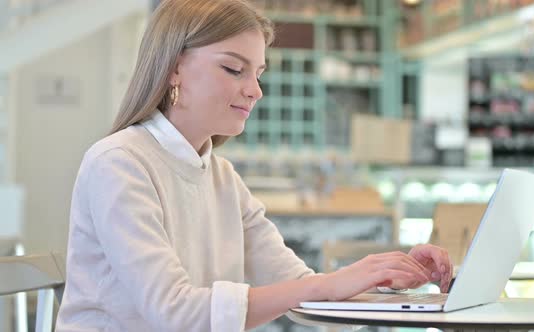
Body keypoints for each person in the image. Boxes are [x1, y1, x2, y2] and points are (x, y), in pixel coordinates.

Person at [55, 0, 452, 331]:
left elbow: (303, 291)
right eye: (234, 69)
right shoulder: (119, 163)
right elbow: (175, 313)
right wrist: (329, 284)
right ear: (174, 67)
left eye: (258, 73)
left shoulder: (221, 177)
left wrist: (393, 279)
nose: (255, 90)